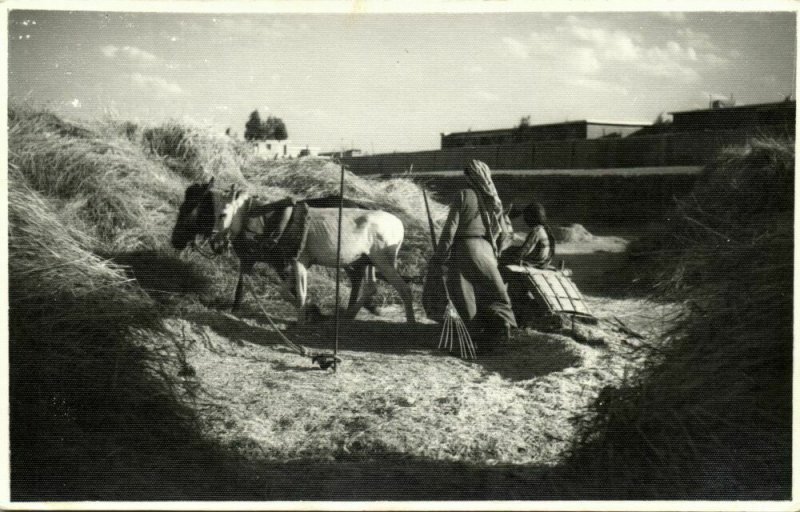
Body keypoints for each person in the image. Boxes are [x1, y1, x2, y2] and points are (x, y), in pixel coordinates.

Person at [429, 160, 517, 350]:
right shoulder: (493, 198)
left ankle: (469, 341)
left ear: (469, 176)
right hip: (487, 249)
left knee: (464, 295)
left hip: (465, 249)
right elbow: (503, 232)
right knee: (495, 292)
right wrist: (496, 253)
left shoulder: (463, 195)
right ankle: (502, 330)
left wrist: (440, 256)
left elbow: (450, 230)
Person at [503, 201, 556, 268]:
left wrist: (512, 256)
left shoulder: (536, 231)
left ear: (531, 218)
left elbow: (526, 249)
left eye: (526, 217)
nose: (525, 220)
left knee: (507, 252)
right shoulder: (544, 229)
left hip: (536, 262)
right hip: (544, 261)